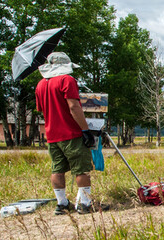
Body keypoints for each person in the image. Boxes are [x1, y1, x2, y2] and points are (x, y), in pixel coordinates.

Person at [35, 52, 97, 215]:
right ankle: (85, 204)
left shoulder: (40, 84)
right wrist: (85, 130)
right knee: (81, 169)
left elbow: (41, 109)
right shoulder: (67, 80)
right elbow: (73, 106)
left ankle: (62, 204)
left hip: (52, 135)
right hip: (71, 133)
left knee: (57, 169)